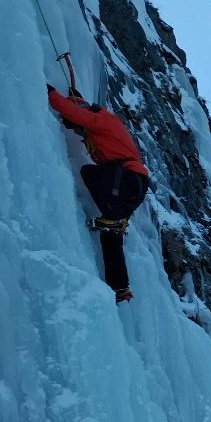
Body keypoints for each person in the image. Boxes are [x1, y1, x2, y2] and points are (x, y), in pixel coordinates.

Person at [47, 85, 151, 304]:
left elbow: (76, 112)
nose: (77, 132)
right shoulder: (99, 129)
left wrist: (50, 94)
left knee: (89, 172)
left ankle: (113, 218)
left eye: (76, 129)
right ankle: (120, 288)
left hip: (126, 179)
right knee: (110, 234)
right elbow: (79, 114)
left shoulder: (103, 119)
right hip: (131, 183)